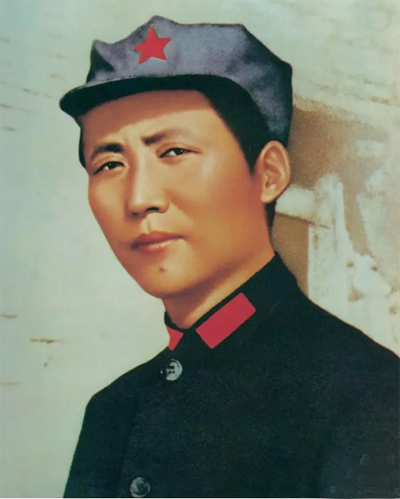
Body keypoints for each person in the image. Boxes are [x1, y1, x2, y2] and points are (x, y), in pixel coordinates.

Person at [59, 15, 400, 498]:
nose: (139, 198)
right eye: (109, 163)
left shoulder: (368, 392)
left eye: (174, 152)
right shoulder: (113, 411)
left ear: (269, 174)